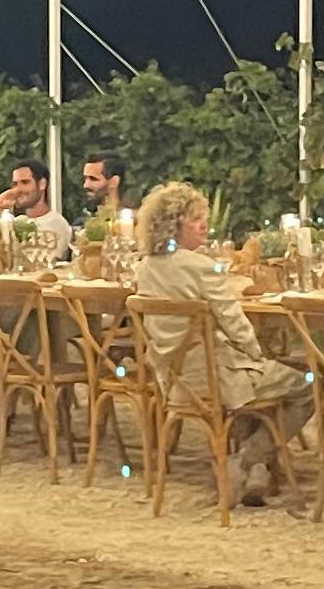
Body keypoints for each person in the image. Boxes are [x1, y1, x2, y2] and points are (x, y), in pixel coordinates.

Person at [130, 182, 309, 503]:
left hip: (174, 381)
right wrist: (256, 354)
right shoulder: (201, 266)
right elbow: (235, 322)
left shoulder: (145, 267)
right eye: (195, 218)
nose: (204, 225)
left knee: (259, 384)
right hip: (218, 379)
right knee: (308, 384)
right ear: (174, 224)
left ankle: (257, 474)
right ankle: (246, 459)